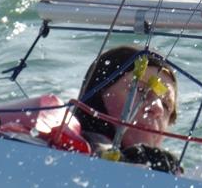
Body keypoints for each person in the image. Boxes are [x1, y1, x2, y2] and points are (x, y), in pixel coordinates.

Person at [74, 45, 181, 173]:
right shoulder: (57, 148)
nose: (158, 108)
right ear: (98, 92)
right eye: (141, 90)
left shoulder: (169, 171)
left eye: (166, 105)